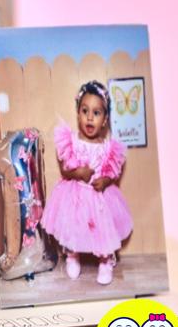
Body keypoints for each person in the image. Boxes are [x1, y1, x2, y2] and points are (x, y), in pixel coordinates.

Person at [40, 81, 133, 285]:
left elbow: (113, 173)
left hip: (99, 197)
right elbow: (65, 170)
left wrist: (105, 180)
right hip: (76, 195)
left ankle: (105, 260)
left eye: (96, 113)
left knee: (103, 228)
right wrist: (79, 172)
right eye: (85, 111)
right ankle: (72, 255)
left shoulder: (108, 147)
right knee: (74, 225)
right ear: (78, 114)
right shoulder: (71, 141)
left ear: (105, 119)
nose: (90, 117)